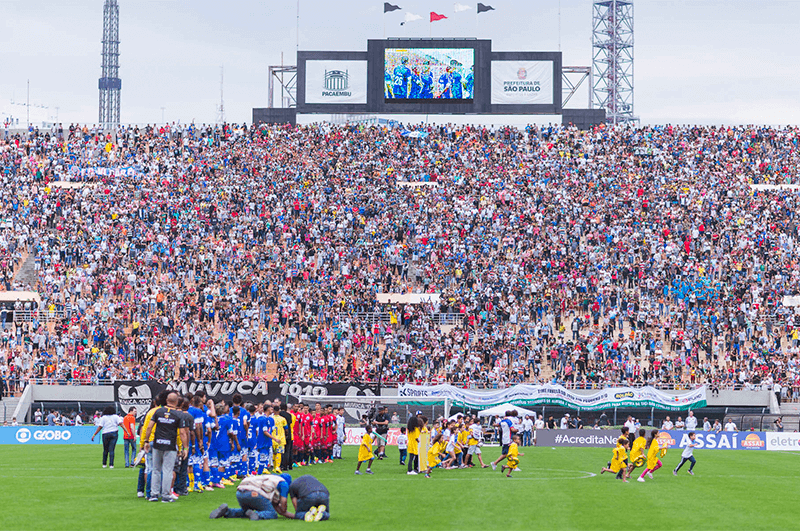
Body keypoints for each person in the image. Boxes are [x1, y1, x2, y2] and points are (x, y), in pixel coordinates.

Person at [143, 392, 186, 502]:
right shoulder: (178, 415)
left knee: (156, 469)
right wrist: (185, 447)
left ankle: (154, 495)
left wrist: (146, 441)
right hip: (170, 445)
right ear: (176, 402)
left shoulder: (158, 411)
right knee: (167, 470)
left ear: (167, 400)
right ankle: (166, 496)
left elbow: (149, 427)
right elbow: (182, 433)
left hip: (157, 443)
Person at [209, 473, 292, 521]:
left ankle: (227, 511)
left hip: (240, 492)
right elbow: (283, 503)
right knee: (272, 514)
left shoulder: (268, 477)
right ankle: (257, 515)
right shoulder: (283, 483)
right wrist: (285, 510)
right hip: (254, 493)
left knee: (246, 512)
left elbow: (274, 505)